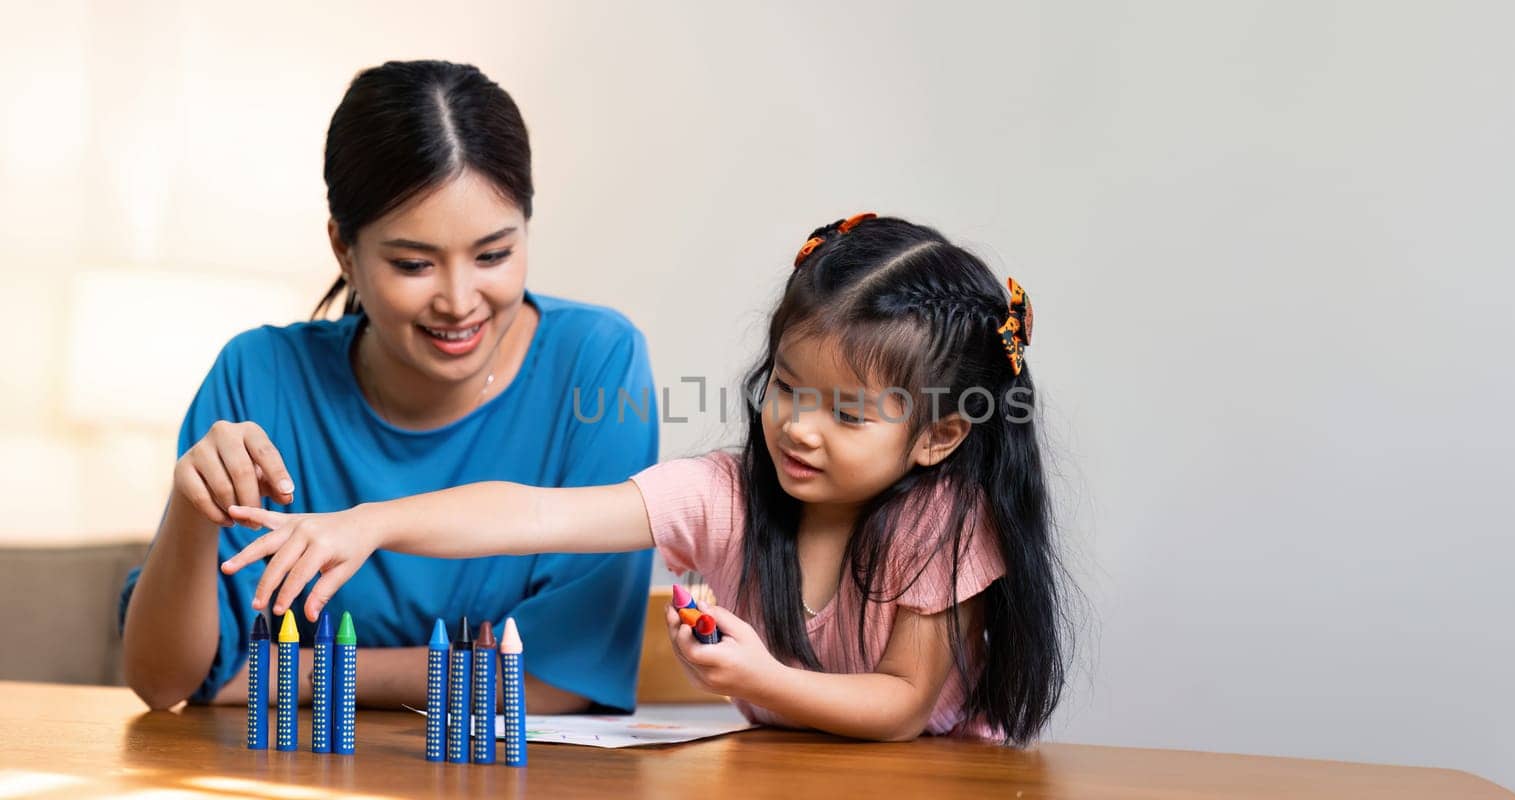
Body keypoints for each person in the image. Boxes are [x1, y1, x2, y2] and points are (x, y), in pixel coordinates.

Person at [225, 214, 1076, 745]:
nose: (798, 427)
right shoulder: (727, 493)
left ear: (939, 436)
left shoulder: (943, 520)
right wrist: (371, 523)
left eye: (848, 416)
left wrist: (760, 680)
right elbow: (531, 515)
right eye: (786, 388)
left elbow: (900, 703)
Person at [119, 60, 657, 714]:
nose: (460, 301)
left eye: (493, 255)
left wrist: (288, 675)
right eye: (413, 264)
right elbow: (165, 683)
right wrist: (192, 514)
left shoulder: (596, 362)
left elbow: (556, 680)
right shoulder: (259, 375)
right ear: (344, 251)